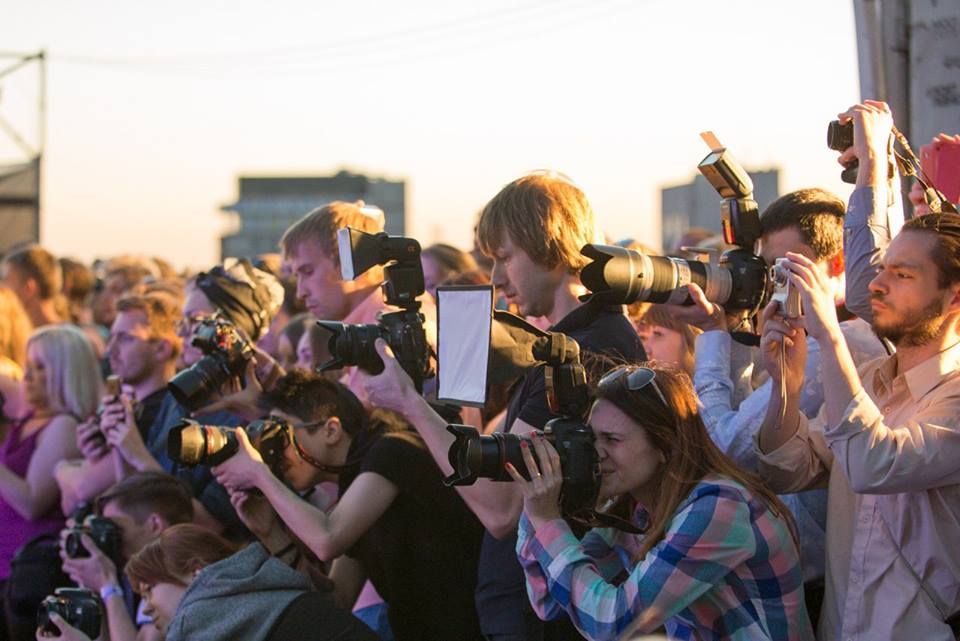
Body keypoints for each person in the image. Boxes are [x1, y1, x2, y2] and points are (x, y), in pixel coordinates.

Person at [364, 172, 644, 641]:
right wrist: (458, 390)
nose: (495, 278)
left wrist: (410, 404)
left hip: (544, 616)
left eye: (505, 257)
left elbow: (499, 509)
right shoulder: (573, 341)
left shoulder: (587, 350)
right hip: (532, 607)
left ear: (550, 245)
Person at [754, 100, 960, 640]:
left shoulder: (955, 398)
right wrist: (785, 386)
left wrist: (827, 334)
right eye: (882, 269)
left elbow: (876, 462)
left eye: (903, 274)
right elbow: (789, 469)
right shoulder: (873, 382)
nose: (876, 283)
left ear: (954, 296)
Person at [681, 188, 887, 622]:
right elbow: (743, 424)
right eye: (770, 270)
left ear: (836, 266)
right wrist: (730, 329)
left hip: (817, 590)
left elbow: (726, 446)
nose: (777, 284)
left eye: (789, 268)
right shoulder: (801, 334)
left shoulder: (843, 343)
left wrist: (715, 340)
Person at [511, 363, 812, 640]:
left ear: (665, 446)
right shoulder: (638, 510)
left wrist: (548, 521)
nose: (597, 453)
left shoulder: (719, 507)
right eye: (592, 439)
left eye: (612, 440)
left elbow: (613, 621)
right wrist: (537, 503)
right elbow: (550, 600)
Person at [212, 371, 486, 641]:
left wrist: (260, 474)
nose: (274, 453)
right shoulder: (354, 484)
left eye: (280, 436)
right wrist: (272, 532)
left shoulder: (391, 449)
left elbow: (327, 538)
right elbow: (336, 600)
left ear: (331, 430)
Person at [92, 260, 284, 536]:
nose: (181, 332)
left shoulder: (247, 411)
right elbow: (134, 500)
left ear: (231, 329)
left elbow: (213, 525)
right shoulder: (180, 394)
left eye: (194, 321)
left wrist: (138, 453)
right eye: (182, 321)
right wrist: (119, 443)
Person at [43, 523, 377, 641]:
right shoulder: (265, 590)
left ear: (195, 571)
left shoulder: (200, 616)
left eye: (150, 590)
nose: (147, 607)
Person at [0, 326, 100, 639]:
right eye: (27, 365)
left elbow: (31, 502)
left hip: (26, 571)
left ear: (66, 372)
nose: (27, 375)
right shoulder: (29, 420)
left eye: (40, 367)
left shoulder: (64, 425)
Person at [59, 472, 194, 641]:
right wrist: (95, 589)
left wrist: (108, 585)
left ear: (155, 525)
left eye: (115, 527)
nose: (107, 536)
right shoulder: (145, 574)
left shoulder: (176, 575)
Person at [2, 244, 63, 328]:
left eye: (6, 280)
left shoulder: (61, 339)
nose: (2, 288)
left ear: (28, 288)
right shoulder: (71, 336)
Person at [635, 305, 700, 375]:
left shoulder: (710, 383)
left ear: (689, 336)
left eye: (657, 334)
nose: (646, 350)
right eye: (643, 338)